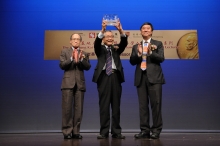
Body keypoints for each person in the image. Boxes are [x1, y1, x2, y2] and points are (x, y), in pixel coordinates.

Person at [92, 19, 128, 139]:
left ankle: (116, 131)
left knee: (116, 106)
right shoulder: (100, 49)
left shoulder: (116, 48)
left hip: (115, 77)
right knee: (104, 106)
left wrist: (120, 31)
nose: (110, 38)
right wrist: (102, 30)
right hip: (103, 77)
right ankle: (104, 132)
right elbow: (96, 43)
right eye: (107, 37)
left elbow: (124, 43)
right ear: (103, 39)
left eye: (112, 37)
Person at [130, 22, 165, 139]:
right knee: (143, 106)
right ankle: (144, 130)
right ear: (140, 31)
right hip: (141, 78)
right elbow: (132, 61)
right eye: (143, 28)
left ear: (151, 31)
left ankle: (156, 130)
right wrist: (139, 54)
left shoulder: (158, 44)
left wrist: (150, 52)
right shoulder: (136, 46)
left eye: (148, 28)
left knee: (156, 105)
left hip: (154, 78)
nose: (145, 30)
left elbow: (161, 58)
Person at [59, 33, 91, 139]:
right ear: (70, 41)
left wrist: (81, 59)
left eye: (78, 39)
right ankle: (67, 131)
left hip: (80, 84)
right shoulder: (65, 52)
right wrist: (72, 58)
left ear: (80, 41)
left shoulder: (84, 53)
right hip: (68, 84)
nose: (76, 41)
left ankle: (76, 132)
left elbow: (87, 67)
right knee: (67, 109)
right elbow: (62, 65)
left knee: (79, 109)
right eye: (74, 39)